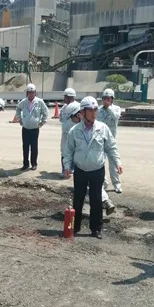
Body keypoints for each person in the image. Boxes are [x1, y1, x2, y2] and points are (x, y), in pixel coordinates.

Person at [63, 96, 123, 239]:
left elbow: (111, 148)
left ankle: (96, 229)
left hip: (97, 170)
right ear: (82, 112)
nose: (94, 113)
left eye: (95, 109)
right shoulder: (75, 130)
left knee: (96, 200)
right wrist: (67, 166)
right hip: (80, 170)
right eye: (90, 110)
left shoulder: (103, 128)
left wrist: (117, 162)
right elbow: (68, 150)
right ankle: (75, 226)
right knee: (78, 198)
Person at [15, 83, 49, 170]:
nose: (31, 94)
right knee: (25, 147)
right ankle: (25, 164)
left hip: (35, 129)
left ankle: (34, 164)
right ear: (27, 93)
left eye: (33, 92)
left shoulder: (39, 102)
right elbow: (18, 109)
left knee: (34, 146)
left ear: (35, 93)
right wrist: (19, 119)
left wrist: (42, 122)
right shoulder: (23, 102)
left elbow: (45, 112)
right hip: (25, 128)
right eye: (29, 93)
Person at [97, 88, 123, 193]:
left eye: (108, 98)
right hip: (100, 139)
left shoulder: (116, 108)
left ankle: (117, 184)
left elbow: (116, 117)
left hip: (111, 140)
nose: (106, 100)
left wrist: (108, 108)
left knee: (113, 163)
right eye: (104, 98)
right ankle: (103, 183)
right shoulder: (99, 110)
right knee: (100, 162)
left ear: (112, 99)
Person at [59, 88, 77, 177]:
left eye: (65, 97)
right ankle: (65, 170)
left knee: (73, 151)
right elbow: (61, 118)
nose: (64, 98)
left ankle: (71, 169)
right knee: (64, 151)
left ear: (69, 97)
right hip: (65, 132)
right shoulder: (64, 107)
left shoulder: (77, 106)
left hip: (74, 133)